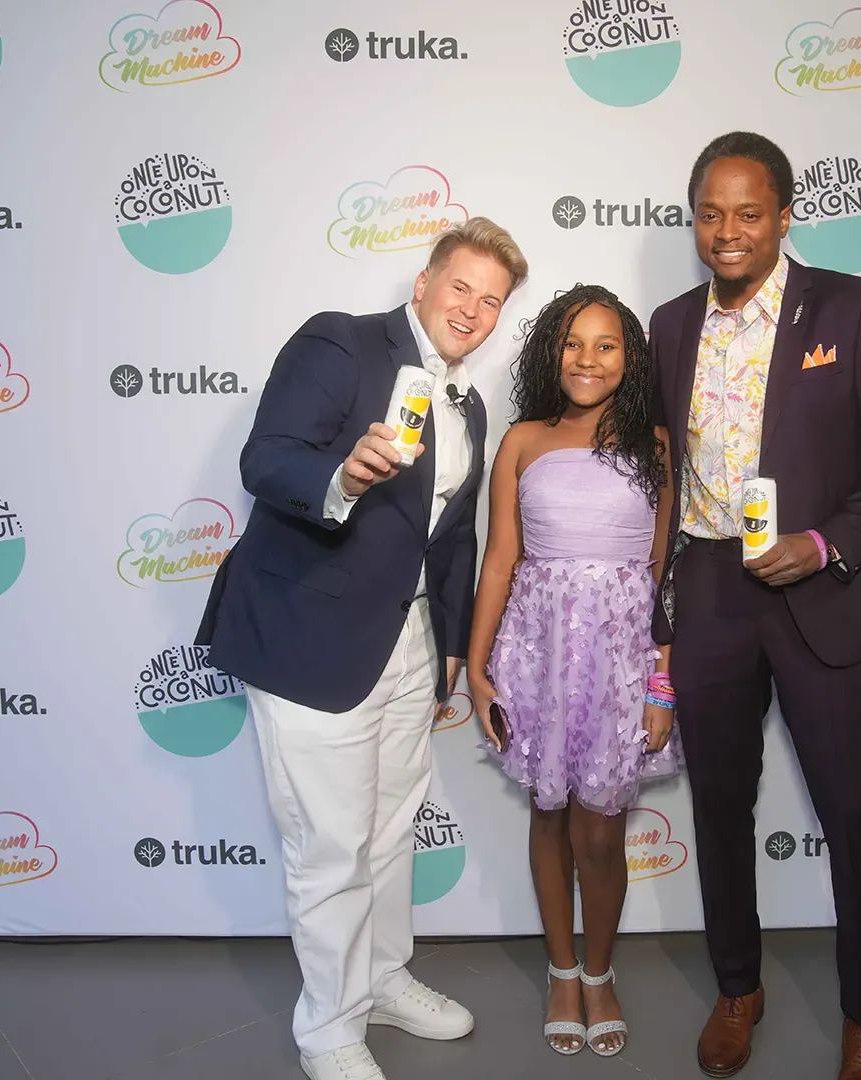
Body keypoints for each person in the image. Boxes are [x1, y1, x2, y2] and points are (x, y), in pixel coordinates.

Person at [195, 218, 529, 1080]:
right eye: (461, 287)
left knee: (387, 833)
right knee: (332, 844)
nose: (473, 309)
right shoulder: (339, 343)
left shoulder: (469, 403)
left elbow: (450, 538)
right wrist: (341, 475)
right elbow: (266, 459)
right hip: (312, 639)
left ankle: (381, 978)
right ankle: (329, 1030)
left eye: (490, 300)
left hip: (408, 645)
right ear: (422, 284)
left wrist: (450, 643)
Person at [648, 132, 861, 1080]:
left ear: (784, 215)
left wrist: (825, 543)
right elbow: (656, 469)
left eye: (749, 212)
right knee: (722, 806)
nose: (727, 232)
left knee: (854, 811)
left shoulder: (854, 308)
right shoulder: (670, 322)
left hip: (822, 592)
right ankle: (739, 988)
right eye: (711, 214)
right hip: (713, 591)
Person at [465, 285, 680, 1058]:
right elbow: (499, 561)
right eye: (572, 344)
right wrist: (479, 669)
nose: (587, 360)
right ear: (550, 353)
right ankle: (560, 971)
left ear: (631, 357)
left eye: (606, 344)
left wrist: (662, 686)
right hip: (538, 656)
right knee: (548, 817)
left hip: (622, 662)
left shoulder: (654, 445)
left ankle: (598, 971)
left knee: (602, 829)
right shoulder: (522, 438)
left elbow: (665, 576)